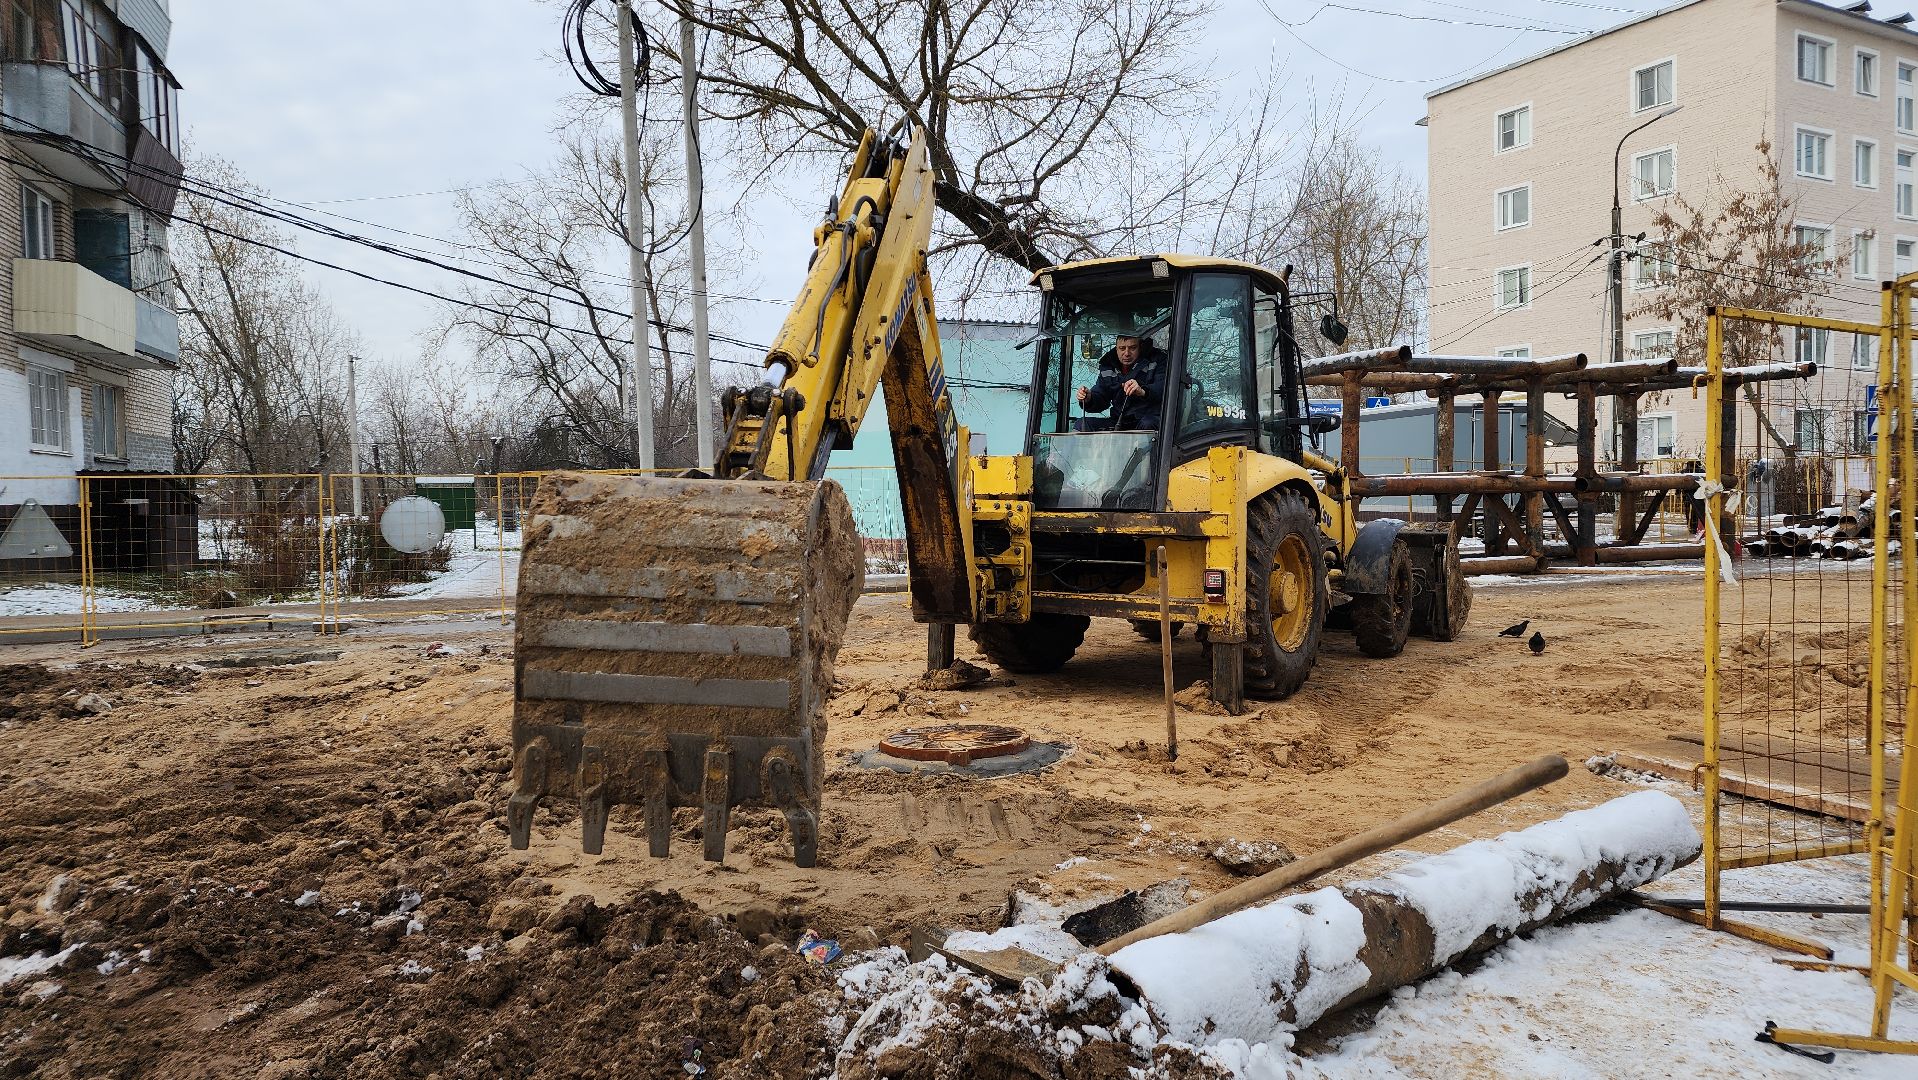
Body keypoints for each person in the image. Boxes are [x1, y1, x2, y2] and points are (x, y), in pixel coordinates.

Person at [1075, 334, 1167, 431]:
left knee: (1149, 424)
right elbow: (1102, 395)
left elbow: (1163, 389)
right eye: (1122, 348)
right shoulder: (1108, 366)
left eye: (1132, 348)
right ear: (1116, 349)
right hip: (1118, 422)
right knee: (1081, 424)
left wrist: (1143, 391)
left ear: (1140, 347)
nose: (1127, 353)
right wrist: (1089, 398)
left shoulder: (1158, 360)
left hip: (1148, 419)